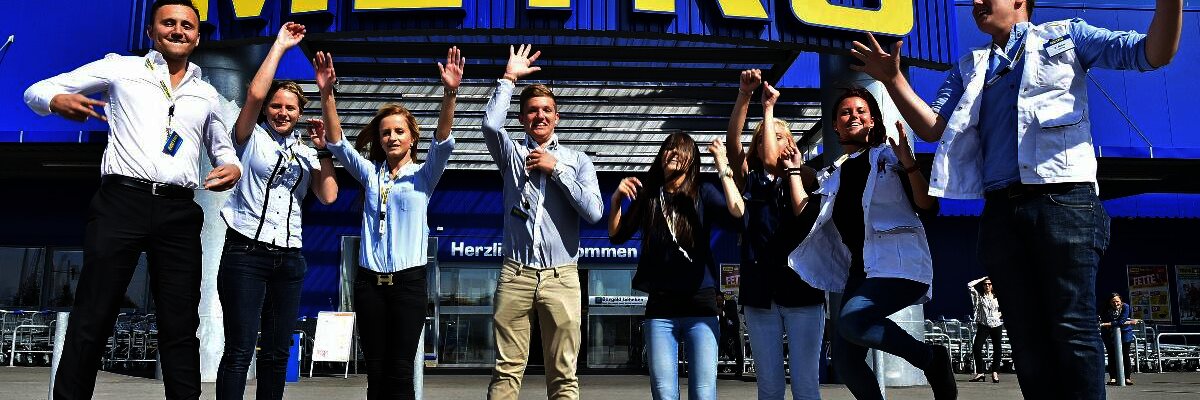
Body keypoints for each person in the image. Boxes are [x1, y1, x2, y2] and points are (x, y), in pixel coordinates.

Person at [848, 0, 1182, 396]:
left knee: (1072, 326)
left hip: (1066, 200)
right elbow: (933, 128)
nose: (976, 3)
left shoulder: (1067, 36)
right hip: (1001, 210)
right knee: (1025, 336)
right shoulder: (971, 65)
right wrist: (892, 79)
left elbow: (1153, 53)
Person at [22, 1, 242, 398]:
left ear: (197, 35)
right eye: (169, 23)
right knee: (94, 314)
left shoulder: (206, 93)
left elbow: (222, 147)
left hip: (179, 210)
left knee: (179, 324)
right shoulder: (121, 68)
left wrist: (232, 166)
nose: (178, 30)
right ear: (151, 32)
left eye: (187, 25)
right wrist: (56, 101)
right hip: (121, 202)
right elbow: (37, 89)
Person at [316, 47, 462, 400]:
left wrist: (450, 94)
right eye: (385, 133)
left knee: (400, 371)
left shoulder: (423, 176)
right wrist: (326, 93)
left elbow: (442, 143)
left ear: (411, 137)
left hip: (408, 285)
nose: (392, 137)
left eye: (399, 131)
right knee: (376, 373)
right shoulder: (370, 174)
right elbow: (337, 143)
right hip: (369, 286)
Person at [788, 88, 953, 400]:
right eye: (845, 112)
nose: (854, 116)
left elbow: (928, 207)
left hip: (898, 265)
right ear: (835, 125)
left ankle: (931, 359)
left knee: (853, 319)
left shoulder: (890, 157)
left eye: (861, 111)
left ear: (873, 119)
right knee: (847, 360)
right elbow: (801, 198)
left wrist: (910, 165)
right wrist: (793, 164)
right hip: (860, 272)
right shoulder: (834, 172)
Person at [214, 22, 338, 400]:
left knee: (277, 351)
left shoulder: (305, 149)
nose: (282, 112)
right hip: (245, 252)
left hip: (289, 258)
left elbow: (329, 195)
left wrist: (323, 147)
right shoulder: (250, 137)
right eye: (276, 106)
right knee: (239, 349)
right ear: (267, 109)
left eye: (291, 108)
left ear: (300, 113)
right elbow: (252, 92)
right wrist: (281, 45)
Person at [482, 44, 604, 400]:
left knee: (564, 375)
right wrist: (508, 78)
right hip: (515, 273)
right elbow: (490, 123)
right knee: (505, 371)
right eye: (532, 111)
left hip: (561, 276)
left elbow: (594, 213)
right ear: (522, 118)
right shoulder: (511, 155)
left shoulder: (578, 161)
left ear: (557, 117)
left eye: (547, 110)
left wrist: (558, 170)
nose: (540, 116)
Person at [608, 132, 744, 400]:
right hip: (661, 308)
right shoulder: (648, 196)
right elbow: (617, 236)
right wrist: (616, 200)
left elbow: (738, 215)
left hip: (701, 305)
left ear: (692, 159)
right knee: (663, 393)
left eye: (681, 149)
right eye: (668, 148)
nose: (673, 153)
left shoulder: (703, 192)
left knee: (703, 394)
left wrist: (722, 166)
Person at [722, 69, 826, 400]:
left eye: (781, 135)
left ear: (792, 144)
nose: (773, 140)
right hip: (759, 291)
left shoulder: (807, 175)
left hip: (803, 290)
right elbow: (733, 142)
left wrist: (769, 110)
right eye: (768, 135)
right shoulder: (750, 179)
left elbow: (772, 161)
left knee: (806, 384)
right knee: (768, 385)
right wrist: (745, 96)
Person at [967, 276, 1003, 383]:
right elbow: (969, 285)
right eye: (985, 284)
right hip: (984, 325)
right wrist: (983, 278)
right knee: (977, 347)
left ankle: (995, 372)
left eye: (989, 284)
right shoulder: (979, 297)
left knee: (997, 348)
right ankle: (980, 372)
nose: (987, 286)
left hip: (997, 324)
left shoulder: (998, 297)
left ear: (992, 286)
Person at [1100, 293, 1138, 386]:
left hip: (1125, 333)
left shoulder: (1125, 307)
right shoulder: (1106, 309)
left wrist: (1108, 324)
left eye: (1117, 301)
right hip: (1109, 334)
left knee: (1125, 354)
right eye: (1113, 302)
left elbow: (1121, 321)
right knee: (1111, 355)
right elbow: (1104, 319)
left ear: (1121, 301)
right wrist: (1128, 322)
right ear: (1109, 302)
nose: (1115, 304)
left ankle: (1127, 377)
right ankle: (1113, 377)